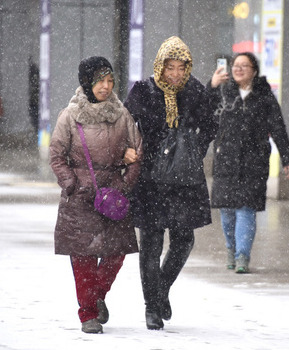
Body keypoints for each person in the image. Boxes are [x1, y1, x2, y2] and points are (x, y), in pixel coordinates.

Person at [124, 36, 217, 330]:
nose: (175, 74)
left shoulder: (194, 90)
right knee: (151, 244)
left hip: (184, 180)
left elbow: (211, 124)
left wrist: (191, 150)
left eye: (181, 67)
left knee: (184, 240)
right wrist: (134, 150)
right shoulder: (143, 90)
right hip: (150, 179)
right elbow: (126, 125)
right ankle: (152, 307)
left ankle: (160, 289)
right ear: (159, 66)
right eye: (170, 67)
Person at [49, 56, 143, 334]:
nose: (106, 86)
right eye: (100, 80)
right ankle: (88, 314)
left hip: (112, 194)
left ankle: (97, 293)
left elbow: (137, 153)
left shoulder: (121, 113)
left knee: (117, 253)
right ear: (87, 82)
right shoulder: (70, 115)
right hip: (79, 197)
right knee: (83, 259)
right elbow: (56, 155)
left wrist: (125, 185)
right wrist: (70, 184)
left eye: (110, 80)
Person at [208, 52, 289, 274]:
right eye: (235, 65)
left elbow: (278, 128)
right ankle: (231, 249)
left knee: (246, 209)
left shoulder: (264, 97)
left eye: (244, 66)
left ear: (254, 71)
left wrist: (287, 158)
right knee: (227, 211)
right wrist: (211, 86)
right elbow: (202, 112)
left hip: (253, 162)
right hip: (226, 160)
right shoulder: (223, 92)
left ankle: (242, 256)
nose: (238, 69)